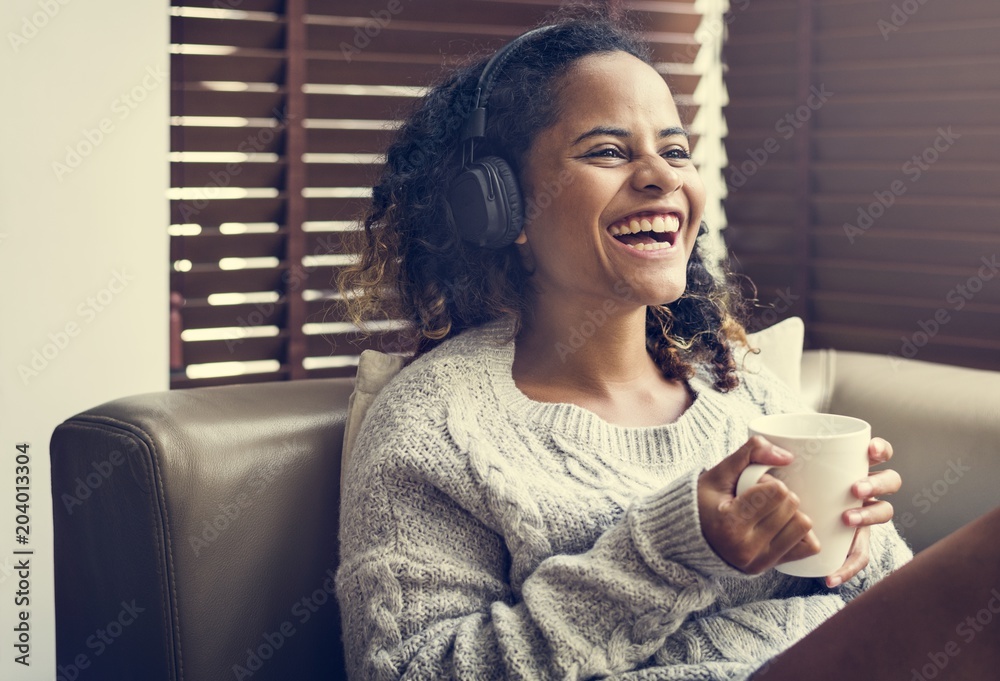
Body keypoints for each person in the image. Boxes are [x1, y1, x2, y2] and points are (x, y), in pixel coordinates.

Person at [335, 13, 1000, 681]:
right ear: (501, 206)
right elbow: (409, 671)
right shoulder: (435, 429)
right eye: (607, 150)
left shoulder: (739, 388)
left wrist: (851, 543)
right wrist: (678, 547)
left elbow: (893, 616)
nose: (662, 176)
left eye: (676, 151)